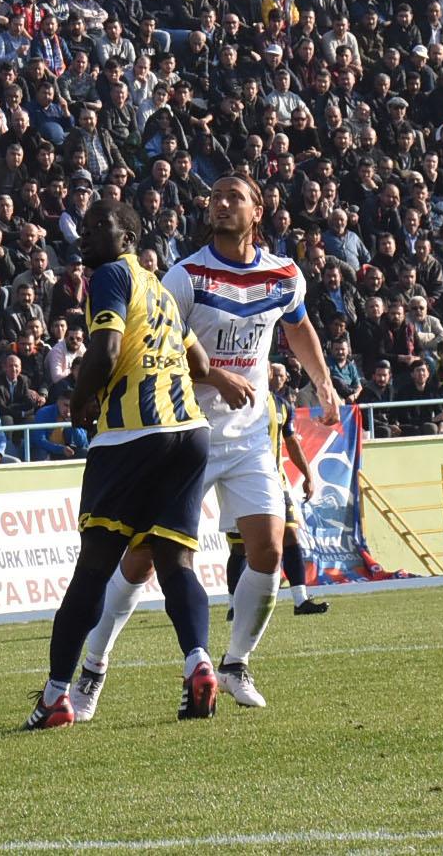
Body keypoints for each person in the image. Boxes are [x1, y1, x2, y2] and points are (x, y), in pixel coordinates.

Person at [72, 174, 342, 721]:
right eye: (215, 198)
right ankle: (93, 669)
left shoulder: (284, 275)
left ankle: (236, 663)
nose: (220, 205)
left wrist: (324, 380)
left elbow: (298, 328)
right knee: (146, 558)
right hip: (186, 429)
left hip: (247, 437)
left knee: (267, 549)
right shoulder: (186, 275)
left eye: (233, 197)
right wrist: (217, 377)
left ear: (257, 209)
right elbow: (160, 338)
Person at [23, 199, 216, 730]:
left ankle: (56, 696)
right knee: (175, 564)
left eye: (99, 227)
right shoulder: (160, 290)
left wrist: (83, 399)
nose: (85, 236)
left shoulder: (109, 275)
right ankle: (198, 662)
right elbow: (199, 364)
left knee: (93, 570)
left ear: (127, 236)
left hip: (132, 435)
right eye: (81, 228)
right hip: (188, 431)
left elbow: (105, 352)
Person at [223, 366, 329, 622]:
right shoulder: (235, 399)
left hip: (277, 481)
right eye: (274, 372)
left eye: (282, 375)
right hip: (239, 480)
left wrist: (307, 474)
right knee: (240, 548)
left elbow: (290, 440)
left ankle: (300, 599)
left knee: (291, 535)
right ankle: (233, 604)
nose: (278, 377)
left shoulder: (282, 406)